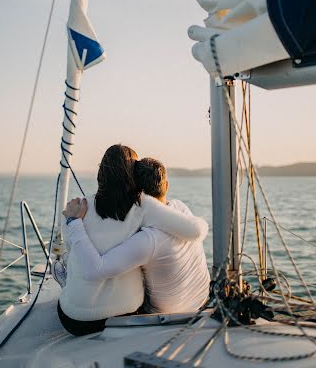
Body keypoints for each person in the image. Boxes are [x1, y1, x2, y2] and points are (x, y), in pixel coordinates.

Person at [57, 144, 207, 336]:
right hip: (124, 314)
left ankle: (65, 281)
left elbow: (73, 253)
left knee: (75, 259)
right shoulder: (143, 207)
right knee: (138, 262)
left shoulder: (75, 208)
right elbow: (194, 231)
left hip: (74, 320)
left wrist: (73, 222)